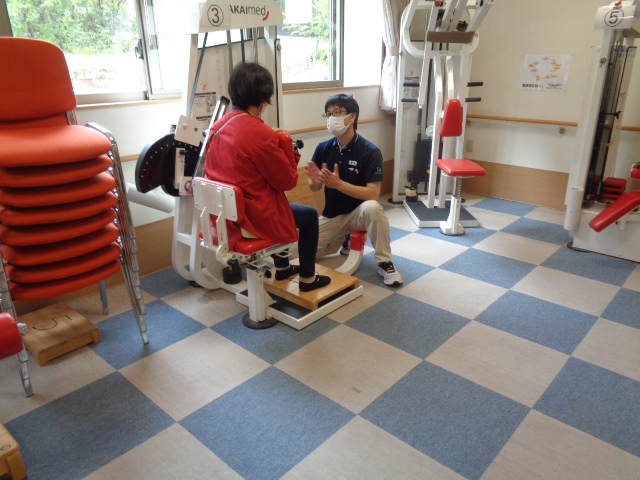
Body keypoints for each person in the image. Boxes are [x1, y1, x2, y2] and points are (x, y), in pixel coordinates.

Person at [205, 62, 330, 292]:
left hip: (223, 217)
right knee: (309, 215)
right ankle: (308, 280)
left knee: (277, 201)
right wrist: (289, 150)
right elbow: (287, 181)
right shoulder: (259, 133)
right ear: (264, 98)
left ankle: (283, 268)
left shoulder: (217, 127)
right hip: (251, 219)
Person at [306, 94, 403, 286]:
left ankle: (385, 262)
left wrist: (338, 184)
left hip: (359, 215)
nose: (331, 118)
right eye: (328, 114)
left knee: (373, 208)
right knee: (296, 252)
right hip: (332, 216)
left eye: (337, 112)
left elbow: (373, 193)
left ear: (352, 117)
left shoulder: (370, 151)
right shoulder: (323, 148)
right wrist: (314, 182)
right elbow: (314, 187)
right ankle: (342, 240)